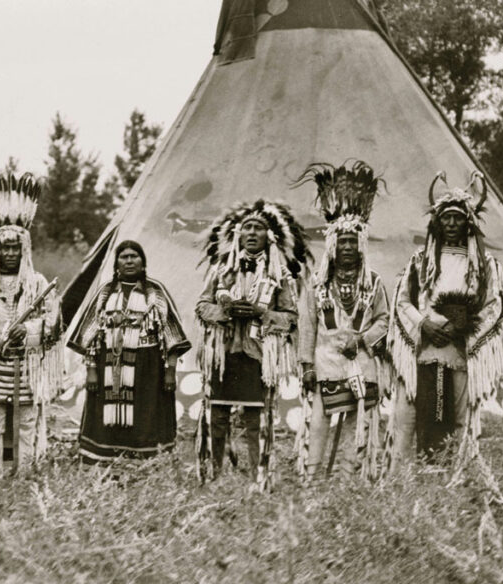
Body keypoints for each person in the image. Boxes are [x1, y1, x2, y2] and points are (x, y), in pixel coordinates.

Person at [387, 172, 503, 468]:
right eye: (446, 218)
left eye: (458, 218)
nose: (452, 224)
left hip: (460, 349)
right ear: (437, 222)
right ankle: (400, 484)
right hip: (423, 348)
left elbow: (494, 305)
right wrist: (424, 324)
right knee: (407, 416)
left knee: (461, 416)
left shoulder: (484, 265)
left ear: (468, 222)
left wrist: (462, 328)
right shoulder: (421, 261)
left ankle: (458, 480)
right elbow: (402, 301)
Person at [196, 200, 308, 486]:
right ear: (238, 235)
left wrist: (262, 313)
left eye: (258, 228)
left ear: (268, 237)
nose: (252, 233)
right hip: (223, 352)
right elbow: (201, 306)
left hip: (257, 354)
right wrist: (224, 312)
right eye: (247, 228)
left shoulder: (279, 275)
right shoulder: (221, 271)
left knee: (255, 418)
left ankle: (259, 477)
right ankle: (215, 475)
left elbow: (291, 317)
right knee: (217, 414)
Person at [294, 161, 389, 480]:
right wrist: (306, 365)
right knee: (318, 421)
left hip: (361, 364)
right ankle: (312, 477)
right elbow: (306, 325)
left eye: (352, 241)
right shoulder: (316, 284)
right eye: (342, 241)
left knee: (357, 422)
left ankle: (347, 479)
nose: (347, 246)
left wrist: (361, 339)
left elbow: (384, 320)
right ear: (332, 245)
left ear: (361, 244)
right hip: (324, 365)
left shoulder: (373, 283)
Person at [0, 173, 62, 474]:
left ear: (24, 250)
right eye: (4, 247)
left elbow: (54, 326)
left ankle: (24, 477)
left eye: (15, 248)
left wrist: (29, 331)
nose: (10, 253)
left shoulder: (38, 284)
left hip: (26, 372)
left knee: (25, 427)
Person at [67, 240, 191, 464]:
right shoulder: (105, 292)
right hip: (108, 364)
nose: (129, 260)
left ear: (143, 263)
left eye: (134, 256)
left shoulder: (156, 292)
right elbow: (89, 334)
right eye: (124, 257)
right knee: (106, 414)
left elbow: (173, 335)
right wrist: (92, 370)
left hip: (148, 365)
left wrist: (170, 371)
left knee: (145, 413)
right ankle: (105, 458)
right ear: (116, 263)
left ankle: (145, 462)